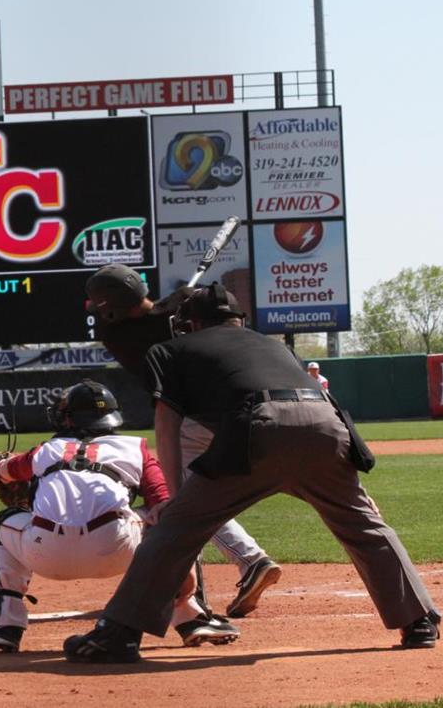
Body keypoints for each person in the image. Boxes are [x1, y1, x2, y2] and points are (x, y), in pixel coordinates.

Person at [64, 285, 441, 663]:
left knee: (174, 532)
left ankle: (118, 635)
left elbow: (167, 421)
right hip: (326, 425)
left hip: (259, 428)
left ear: (190, 323)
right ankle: (419, 620)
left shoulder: (170, 349)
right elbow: (317, 403)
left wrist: (174, 497)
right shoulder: (274, 346)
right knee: (364, 526)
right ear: (238, 319)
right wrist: (350, 489)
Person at [0, 379, 238, 655]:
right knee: (173, 519)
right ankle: (192, 616)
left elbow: (2, 472)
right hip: (117, 549)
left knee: (0, 525)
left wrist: (1, 465)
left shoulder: (46, 449)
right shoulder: (134, 448)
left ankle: (4, 625)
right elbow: (165, 503)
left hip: (45, 553)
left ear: (68, 419)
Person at [86, 264, 280, 618]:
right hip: (251, 404)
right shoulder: (169, 312)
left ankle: (245, 561)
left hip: (196, 416)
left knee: (191, 496)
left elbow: (148, 316)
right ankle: (242, 562)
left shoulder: (119, 336)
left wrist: (174, 307)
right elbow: (197, 310)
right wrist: (181, 303)